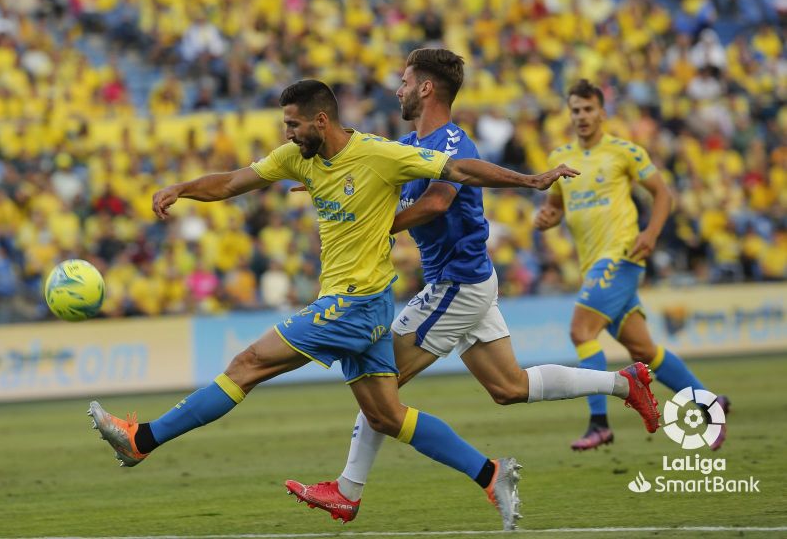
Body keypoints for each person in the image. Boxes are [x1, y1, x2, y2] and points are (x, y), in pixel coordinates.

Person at [89, 79, 579, 530]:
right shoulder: (297, 157)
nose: (289, 133)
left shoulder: (380, 155)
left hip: (355, 304)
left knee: (247, 364)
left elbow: (458, 170)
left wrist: (531, 181)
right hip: (359, 306)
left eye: (294, 124)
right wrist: (183, 188)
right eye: (286, 125)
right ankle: (490, 473)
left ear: (321, 120)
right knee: (387, 417)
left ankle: (142, 440)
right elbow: (234, 182)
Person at [283, 49, 661, 524]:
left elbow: (439, 202)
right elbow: (370, 177)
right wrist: (334, 186)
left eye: (404, 81)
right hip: (468, 281)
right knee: (508, 386)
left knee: (381, 385)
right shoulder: (407, 144)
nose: (397, 89)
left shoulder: (455, 142)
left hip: (455, 284)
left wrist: (374, 229)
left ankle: (349, 490)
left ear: (425, 88)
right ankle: (624, 383)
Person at [534, 78, 730, 451]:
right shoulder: (559, 159)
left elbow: (662, 194)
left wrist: (651, 234)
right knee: (644, 351)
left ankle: (598, 423)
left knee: (581, 331)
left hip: (622, 255)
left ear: (602, 113)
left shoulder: (624, 152)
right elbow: (556, 206)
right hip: (592, 265)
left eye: (588, 109)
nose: (582, 116)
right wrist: (548, 217)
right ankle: (709, 400)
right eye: (575, 110)